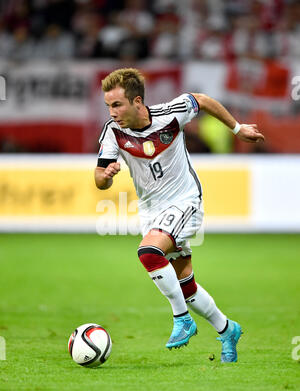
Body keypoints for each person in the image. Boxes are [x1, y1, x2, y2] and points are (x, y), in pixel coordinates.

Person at [94, 68, 265, 362]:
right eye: (108, 106)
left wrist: (237, 129)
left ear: (137, 102)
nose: (112, 112)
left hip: (185, 200)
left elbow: (202, 100)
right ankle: (227, 330)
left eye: (117, 104)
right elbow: (99, 176)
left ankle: (181, 319)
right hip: (151, 211)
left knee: (148, 252)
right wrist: (106, 176)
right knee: (186, 283)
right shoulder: (113, 132)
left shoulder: (171, 113)